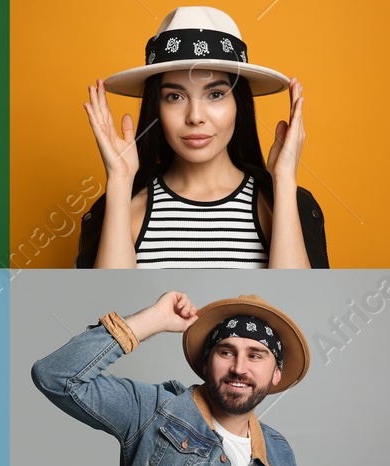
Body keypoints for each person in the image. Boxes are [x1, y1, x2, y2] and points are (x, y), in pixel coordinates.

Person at [32, 292, 307, 466]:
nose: (239, 368)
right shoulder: (155, 410)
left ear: (276, 374)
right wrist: (152, 320)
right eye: (226, 352)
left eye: (256, 356)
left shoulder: (278, 452)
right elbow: (56, 376)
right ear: (206, 362)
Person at [76, 6, 328, 269]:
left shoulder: (277, 204)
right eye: (174, 96)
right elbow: (113, 306)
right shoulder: (127, 206)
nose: (195, 116)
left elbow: (287, 305)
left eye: (215, 94)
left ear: (238, 104)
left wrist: (284, 182)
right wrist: (119, 181)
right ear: (156, 108)